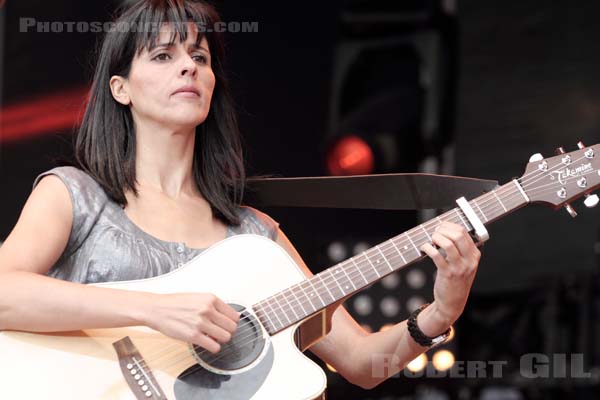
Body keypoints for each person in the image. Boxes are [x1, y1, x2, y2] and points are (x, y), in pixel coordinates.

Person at [0, 0, 480, 392]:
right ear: (120, 89)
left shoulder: (256, 236)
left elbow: (363, 363)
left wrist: (442, 311)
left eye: (200, 57)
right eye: (164, 56)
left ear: (211, 86)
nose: (188, 65)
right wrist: (151, 310)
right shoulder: (74, 195)